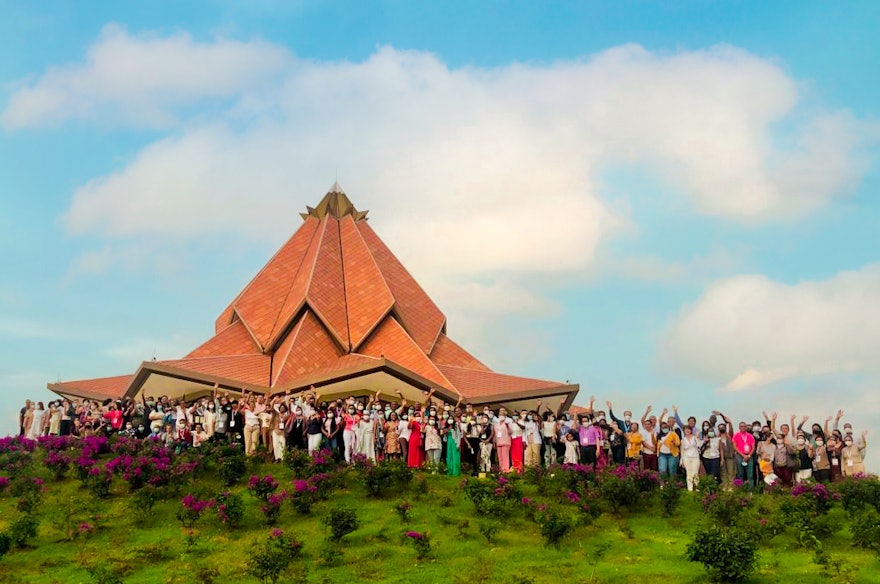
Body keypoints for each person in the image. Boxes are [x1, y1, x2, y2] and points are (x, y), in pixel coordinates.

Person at [732, 421, 756, 487]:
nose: (743, 427)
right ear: (739, 427)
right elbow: (735, 446)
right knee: (740, 474)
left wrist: (749, 455)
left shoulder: (750, 436)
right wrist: (743, 455)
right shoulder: (736, 435)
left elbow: (753, 447)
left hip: (749, 456)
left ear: (746, 427)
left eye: (744, 426)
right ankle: (741, 490)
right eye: (741, 426)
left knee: (750, 475)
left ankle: (750, 490)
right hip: (740, 456)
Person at [680, 426, 701, 491]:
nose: (687, 431)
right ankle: (690, 488)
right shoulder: (683, 440)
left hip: (695, 457)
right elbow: (682, 451)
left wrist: (697, 438)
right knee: (689, 473)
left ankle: (696, 487)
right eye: (685, 430)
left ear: (691, 430)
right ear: (683, 431)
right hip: (686, 458)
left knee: (695, 473)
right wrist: (682, 461)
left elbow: (699, 445)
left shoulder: (695, 437)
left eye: (688, 429)